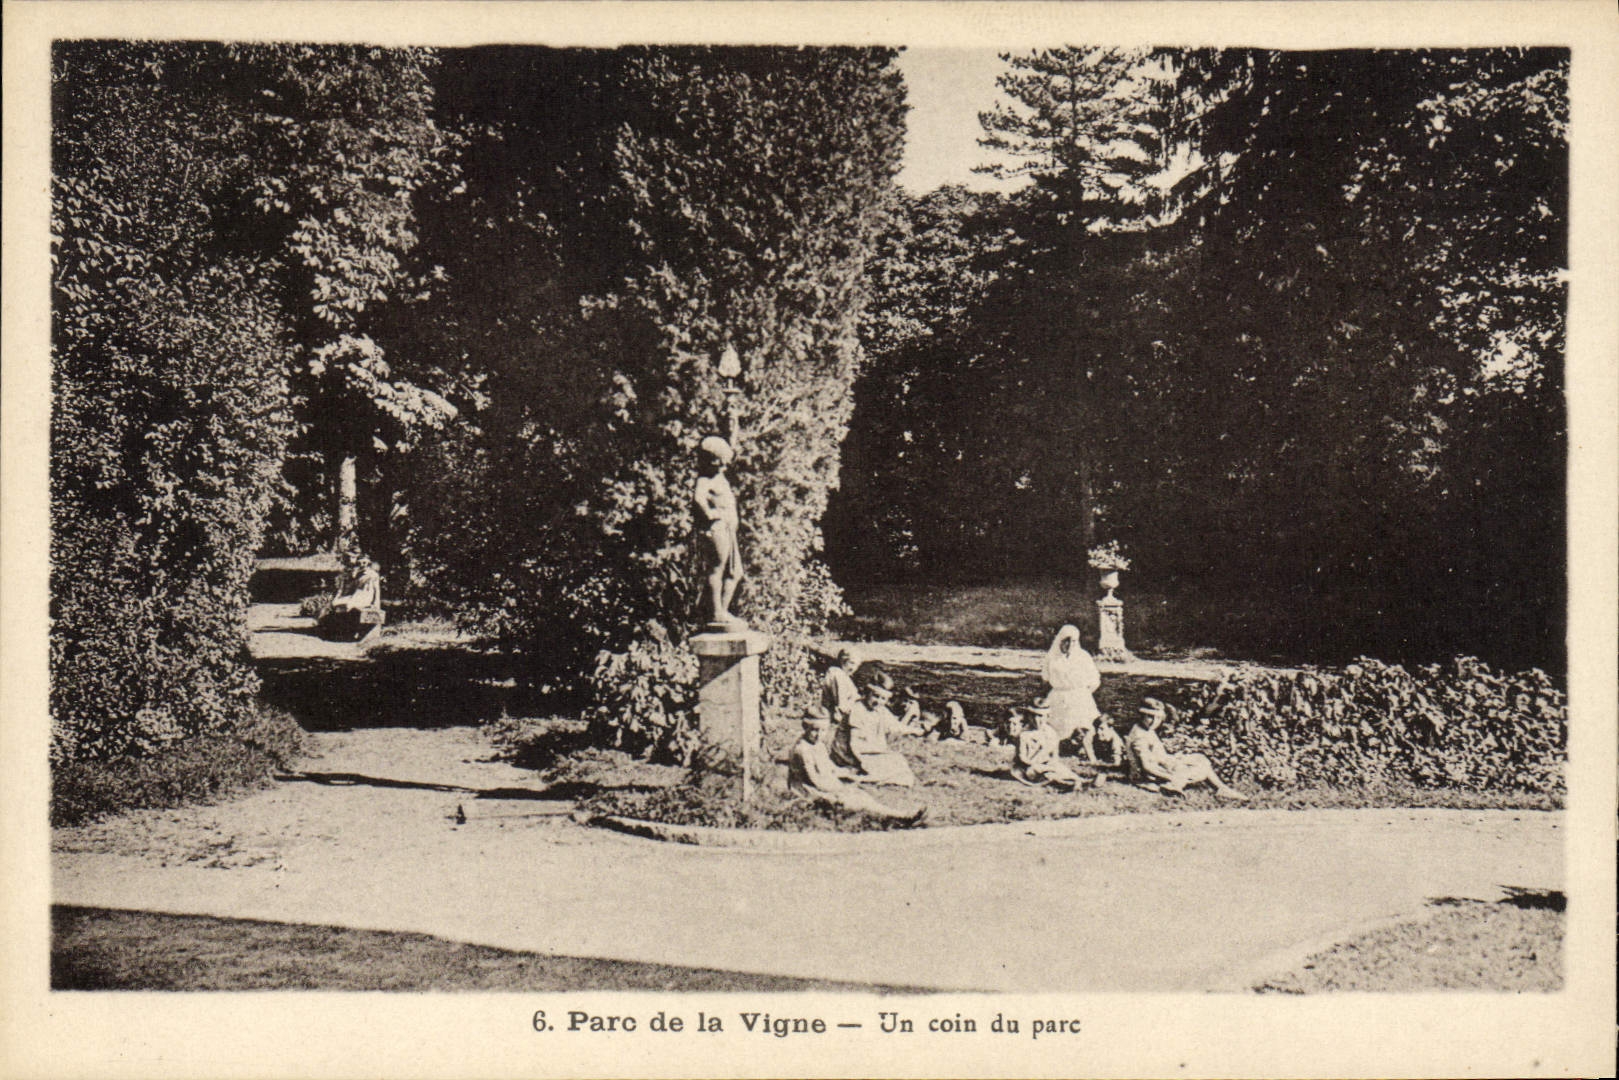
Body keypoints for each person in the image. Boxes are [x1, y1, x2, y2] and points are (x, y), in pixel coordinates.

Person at [787, 715, 927, 826]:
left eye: (823, 730)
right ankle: (897, 818)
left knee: (860, 795)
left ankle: (897, 816)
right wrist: (838, 788)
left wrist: (847, 773)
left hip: (825, 785)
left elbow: (830, 768)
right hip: (808, 791)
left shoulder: (819, 745)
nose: (818, 734)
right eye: (814, 730)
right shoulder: (803, 750)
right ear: (805, 727)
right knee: (851, 799)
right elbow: (815, 780)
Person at [1126, 698, 1248, 800]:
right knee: (1201, 768)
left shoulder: (1145, 729)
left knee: (1200, 758)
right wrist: (1170, 776)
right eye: (1150, 717)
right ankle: (1176, 784)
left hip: (1161, 764)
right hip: (1150, 775)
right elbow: (1147, 767)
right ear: (1141, 715)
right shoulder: (1140, 737)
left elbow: (1156, 755)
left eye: (1158, 718)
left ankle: (1180, 785)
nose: (1154, 721)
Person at [693, 435, 744, 627]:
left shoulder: (720, 478)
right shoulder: (705, 479)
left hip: (728, 529)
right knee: (717, 568)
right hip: (717, 528)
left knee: (736, 572)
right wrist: (711, 514)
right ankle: (716, 613)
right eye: (719, 463)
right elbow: (699, 499)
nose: (723, 467)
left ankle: (722, 611)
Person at [830, 676, 918, 787]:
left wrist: (917, 730)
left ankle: (869, 775)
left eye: (883, 699)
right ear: (867, 694)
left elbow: (896, 726)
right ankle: (859, 776)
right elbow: (855, 744)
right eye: (875, 696)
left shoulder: (880, 710)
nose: (878, 701)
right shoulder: (857, 709)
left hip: (868, 750)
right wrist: (876, 753)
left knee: (898, 761)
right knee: (889, 763)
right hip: (849, 753)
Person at [1042, 624, 1104, 760]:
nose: (1069, 644)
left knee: (1083, 724)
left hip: (1079, 695)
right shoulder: (1052, 657)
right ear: (1060, 640)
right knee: (1055, 725)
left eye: (1073, 641)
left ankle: (1084, 750)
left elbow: (1094, 679)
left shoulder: (1083, 657)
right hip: (1058, 694)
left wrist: (1083, 694)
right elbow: (1046, 678)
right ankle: (1056, 748)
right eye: (1066, 640)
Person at [1010, 699, 1082, 789]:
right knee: (1039, 772)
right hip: (1026, 767)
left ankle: (1077, 781)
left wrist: (1050, 764)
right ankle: (1066, 784)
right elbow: (1022, 758)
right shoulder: (1024, 734)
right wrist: (1036, 763)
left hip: (1046, 764)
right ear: (1029, 716)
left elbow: (1055, 756)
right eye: (1034, 716)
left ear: (1048, 716)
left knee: (1060, 769)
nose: (1037, 720)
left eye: (1041, 716)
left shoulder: (1051, 733)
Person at [821, 647, 861, 732]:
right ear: (842, 661)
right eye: (852, 663)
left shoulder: (844, 676)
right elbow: (841, 702)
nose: (854, 668)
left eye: (857, 665)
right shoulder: (837, 674)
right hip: (837, 721)